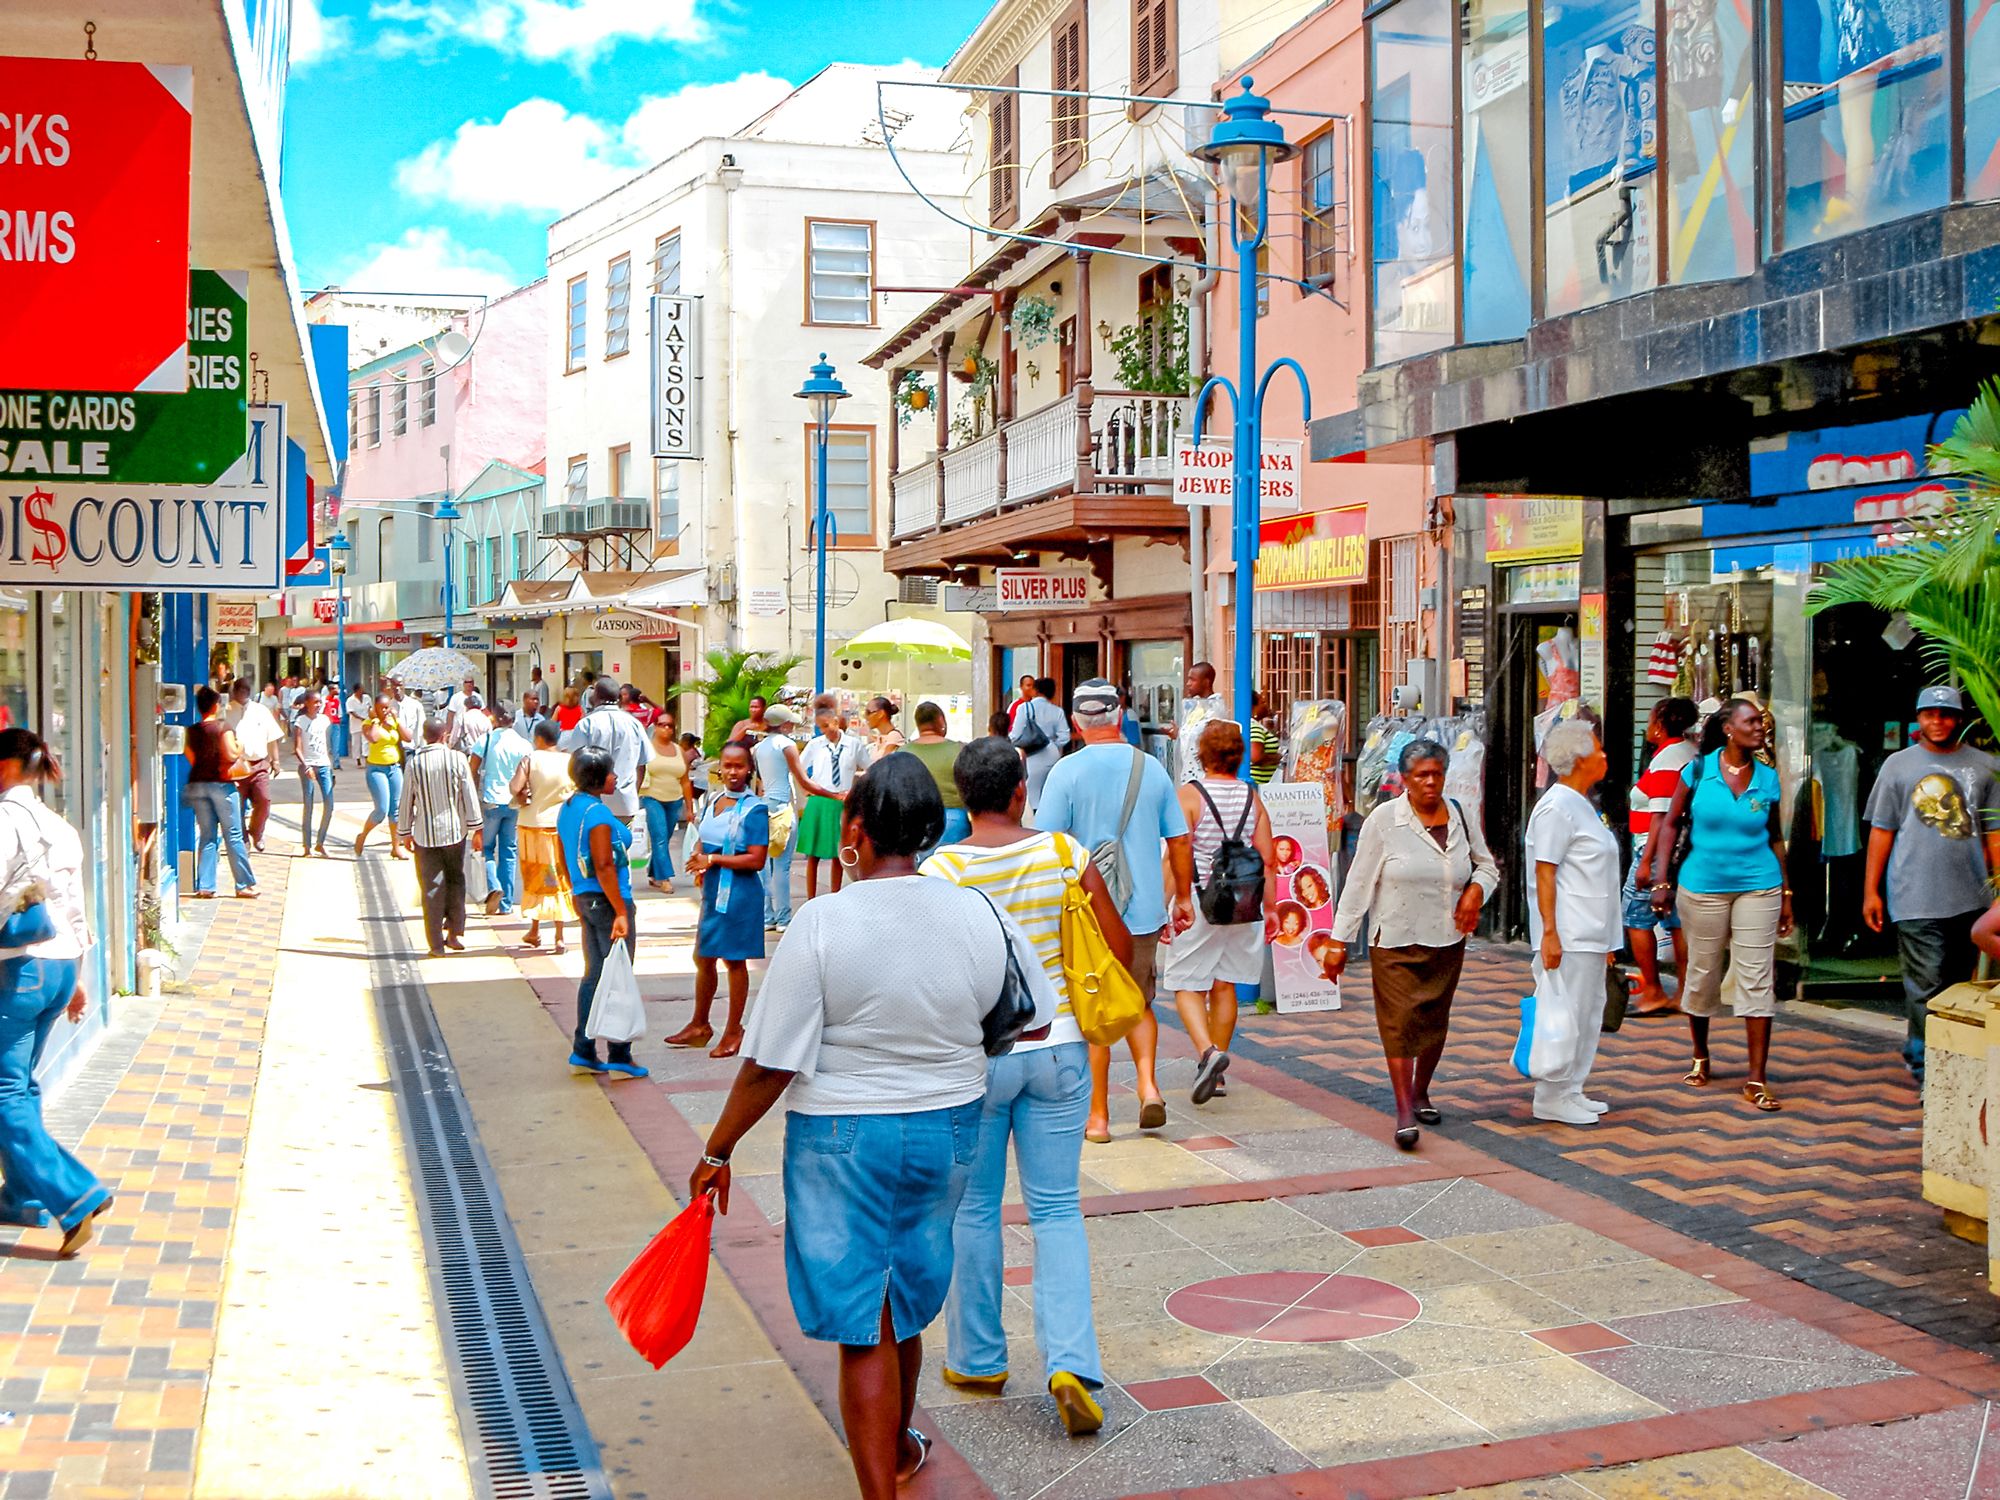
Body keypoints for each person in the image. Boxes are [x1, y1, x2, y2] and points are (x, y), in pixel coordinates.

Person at [688, 755, 1051, 1500]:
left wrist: (717, 1147)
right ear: (928, 828)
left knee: (865, 1320)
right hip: (948, 1129)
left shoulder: (823, 922)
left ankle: (878, 1486)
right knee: (907, 1300)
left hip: (843, 1139)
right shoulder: (977, 909)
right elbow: (1034, 1017)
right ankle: (899, 1446)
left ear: (853, 829)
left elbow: (769, 1064)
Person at [922, 736, 1127, 1435]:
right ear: (1019, 791)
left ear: (964, 797)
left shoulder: (941, 871)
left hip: (978, 1061)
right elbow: (1117, 945)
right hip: (1061, 1053)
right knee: (1057, 1211)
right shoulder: (1065, 855)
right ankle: (1070, 1363)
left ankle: (978, 1358)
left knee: (974, 1212)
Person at [1034, 678, 1193, 1142]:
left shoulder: (1066, 772)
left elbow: (1050, 844)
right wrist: (1182, 897)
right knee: (1140, 1001)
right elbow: (1179, 839)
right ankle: (1148, 1085)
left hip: (1086, 914)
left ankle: (1099, 1117)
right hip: (1143, 910)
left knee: (1094, 1008)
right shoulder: (1152, 770)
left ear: (1075, 723)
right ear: (1120, 714)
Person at [1325, 739, 1499, 1149]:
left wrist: (1475, 892)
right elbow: (1358, 884)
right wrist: (1338, 940)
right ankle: (1404, 1109)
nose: (1431, 782)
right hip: (1396, 939)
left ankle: (1422, 1091)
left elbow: (1486, 865)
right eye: (1421, 775)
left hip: (1447, 937)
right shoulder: (1385, 821)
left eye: (1437, 773)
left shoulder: (1459, 814)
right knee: (1399, 1024)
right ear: (1404, 780)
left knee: (1434, 1022)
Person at [1644, 697, 1793, 1112]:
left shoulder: (1767, 778)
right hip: (1702, 885)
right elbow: (1671, 823)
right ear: (1728, 728)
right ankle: (1700, 1055)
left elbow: (1776, 839)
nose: (1759, 726)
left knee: (1757, 976)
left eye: (1761, 721)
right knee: (1703, 971)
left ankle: (1757, 1077)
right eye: (1750, 721)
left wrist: (1786, 894)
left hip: (1758, 885)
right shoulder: (1697, 770)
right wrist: (1660, 879)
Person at [0, 729, 113, 1255]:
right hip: (61, 965)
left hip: (18, 971)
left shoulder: (5, 821)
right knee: (20, 1085)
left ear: (5, 768)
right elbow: (74, 907)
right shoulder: (58, 825)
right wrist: (81, 980)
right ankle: (22, 1196)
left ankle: (74, 1195)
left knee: (3, 1093)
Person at [1861, 686, 2000, 1084]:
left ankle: (1942, 1053)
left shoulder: (1985, 766)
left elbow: (1994, 833)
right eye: (1929, 714)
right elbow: (1882, 831)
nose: (1937, 721)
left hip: (1972, 894)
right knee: (1926, 984)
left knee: (1958, 983)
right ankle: (1928, 1070)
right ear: (1918, 719)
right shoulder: (1897, 766)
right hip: (1914, 894)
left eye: (1945, 714)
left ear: (1959, 719)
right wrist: (1872, 890)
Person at [1166, 720, 1279, 1105]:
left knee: (1185, 983)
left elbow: (1177, 853)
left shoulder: (1190, 796)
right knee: (1225, 984)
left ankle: (1208, 1053)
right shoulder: (1253, 796)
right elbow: (1267, 859)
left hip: (1200, 898)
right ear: (1239, 755)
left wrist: (1173, 902)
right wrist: (1272, 907)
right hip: (1244, 903)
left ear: (1202, 754)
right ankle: (1216, 1071)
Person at [1525, 722, 1623, 1126]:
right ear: (1581, 759)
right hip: (1571, 931)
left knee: (1587, 1011)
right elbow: (1544, 872)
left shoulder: (1582, 803)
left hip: (1592, 930)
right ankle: (1551, 1092)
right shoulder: (1556, 807)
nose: (1604, 756)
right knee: (1566, 1012)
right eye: (1598, 750)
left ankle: (1572, 1088)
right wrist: (1549, 932)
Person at [669, 741, 770, 1059]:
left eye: (739, 766)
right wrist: (698, 855)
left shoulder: (755, 809)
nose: (732, 772)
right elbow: (703, 837)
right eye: (727, 765)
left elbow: (756, 859)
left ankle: (733, 1030)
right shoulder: (714, 799)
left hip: (740, 895)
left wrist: (711, 860)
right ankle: (700, 1024)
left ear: (749, 769)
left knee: (734, 961)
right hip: (713, 891)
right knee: (704, 956)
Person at [556, 746, 649, 1079]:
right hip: (609, 900)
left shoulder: (569, 808)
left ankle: (583, 1049)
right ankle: (619, 1053)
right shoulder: (596, 815)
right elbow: (604, 864)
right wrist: (621, 912)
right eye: (610, 772)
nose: (616, 777)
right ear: (597, 778)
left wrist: (573, 890)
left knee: (594, 973)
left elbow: (562, 854)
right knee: (618, 976)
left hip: (586, 898)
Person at [1624, 696, 1699, 1015]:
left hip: (1654, 849)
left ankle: (1654, 988)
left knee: (1635, 913)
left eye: (1652, 718)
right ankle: (1685, 990)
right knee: (1677, 918)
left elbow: (1661, 815)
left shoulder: (1668, 758)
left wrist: (1647, 863)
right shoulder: (1690, 752)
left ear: (1660, 723)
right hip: (1680, 847)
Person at [401, 716, 484, 957]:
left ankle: (435, 944)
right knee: (456, 881)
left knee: (431, 887)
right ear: (444, 735)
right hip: (454, 833)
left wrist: (404, 832)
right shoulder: (457, 759)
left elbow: (407, 800)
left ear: (425, 736)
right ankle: (455, 934)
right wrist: (476, 827)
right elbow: (469, 793)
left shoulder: (414, 764)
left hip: (424, 836)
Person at [752, 705, 833, 932]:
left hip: (764, 807)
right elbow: (804, 781)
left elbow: (760, 782)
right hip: (783, 809)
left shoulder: (759, 748)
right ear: (784, 724)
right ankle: (784, 918)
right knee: (782, 866)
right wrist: (833, 795)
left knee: (764, 866)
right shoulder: (787, 745)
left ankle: (767, 916)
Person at [182, 686, 258, 899]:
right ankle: (244, 884)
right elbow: (232, 753)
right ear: (216, 705)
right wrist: (240, 745)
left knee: (207, 835)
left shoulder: (191, 731)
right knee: (233, 834)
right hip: (222, 785)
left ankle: (206, 886)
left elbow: (191, 757)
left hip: (198, 785)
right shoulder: (223, 728)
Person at [512, 721, 575, 953]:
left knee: (535, 877)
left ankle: (535, 928)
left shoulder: (531, 759)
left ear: (538, 738)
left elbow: (515, 787)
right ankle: (559, 936)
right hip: (560, 826)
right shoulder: (569, 762)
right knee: (558, 877)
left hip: (532, 826)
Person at [798, 693, 862, 903]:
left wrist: (854, 791)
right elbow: (798, 767)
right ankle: (811, 898)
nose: (825, 731)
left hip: (842, 801)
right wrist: (806, 787)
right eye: (821, 727)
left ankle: (834, 894)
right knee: (813, 854)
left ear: (836, 720)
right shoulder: (816, 745)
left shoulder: (853, 744)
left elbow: (869, 768)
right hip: (819, 801)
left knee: (837, 852)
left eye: (827, 725)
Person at [469, 704, 531, 917]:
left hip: (490, 802)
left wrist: (473, 799)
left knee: (486, 848)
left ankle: (494, 885)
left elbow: (472, 769)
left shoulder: (485, 740)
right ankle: (506, 904)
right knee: (509, 851)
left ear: (494, 717)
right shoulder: (524, 744)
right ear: (514, 719)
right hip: (513, 803)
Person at [560, 680, 651, 823]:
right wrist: (633, 792)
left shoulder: (586, 724)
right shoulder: (634, 724)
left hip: (592, 804)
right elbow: (642, 765)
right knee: (620, 844)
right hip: (625, 804)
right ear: (619, 698)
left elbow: (576, 763)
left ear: (595, 696)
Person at [225, 679, 284, 853]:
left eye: (246, 689)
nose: (243, 692)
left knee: (264, 800)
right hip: (236, 766)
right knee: (238, 806)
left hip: (259, 764)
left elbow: (271, 737)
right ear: (234, 691)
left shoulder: (261, 711)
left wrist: (276, 760)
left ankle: (257, 832)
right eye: (239, 689)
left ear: (250, 691)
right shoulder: (226, 711)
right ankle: (243, 839)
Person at [906, 702, 968, 859]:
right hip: (955, 822)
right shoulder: (960, 750)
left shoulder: (902, 753)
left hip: (914, 823)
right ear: (941, 720)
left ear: (918, 724)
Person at [637, 718, 690, 893]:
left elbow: (685, 780)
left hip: (674, 799)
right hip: (652, 797)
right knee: (659, 837)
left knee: (664, 839)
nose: (666, 728)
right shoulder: (647, 748)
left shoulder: (678, 750)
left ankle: (653, 872)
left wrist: (689, 808)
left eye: (670, 725)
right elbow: (638, 771)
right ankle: (665, 878)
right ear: (655, 727)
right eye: (662, 725)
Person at [354, 694, 409, 860]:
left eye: (387, 707)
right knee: (381, 810)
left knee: (396, 809)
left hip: (394, 768)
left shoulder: (392, 721)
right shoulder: (368, 724)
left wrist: (397, 721)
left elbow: (408, 737)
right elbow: (374, 738)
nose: (385, 711)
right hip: (376, 769)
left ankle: (395, 847)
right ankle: (363, 835)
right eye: (381, 708)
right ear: (375, 709)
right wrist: (376, 721)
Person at [1009, 677, 1071, 816]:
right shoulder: (1057, 711)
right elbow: (1065, 736)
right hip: (1052, 755)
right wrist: (1052, 745)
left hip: (1030, 754)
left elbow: (1015, 735)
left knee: (1030, 795)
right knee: (1049, 793)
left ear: (1035, 690)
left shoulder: (1024, 708)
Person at [292, 689, 336, 857]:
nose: (318, 705)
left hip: (324, 765)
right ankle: (307, 846)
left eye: (320, 702)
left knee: (329, 804)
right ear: (307, 703)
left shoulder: (325, 720)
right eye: (315, 702)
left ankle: (320, 842)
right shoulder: (300, 721)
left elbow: (328, 743)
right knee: (308, 805)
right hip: (308, 766)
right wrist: (306, 766)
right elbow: (296, 748)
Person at [1249, 690, 1281, 786]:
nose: (1266, 705)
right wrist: (1279, 758)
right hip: (1259, 783)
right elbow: (1256, 757)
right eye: (1262, 702)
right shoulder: (1254, 727)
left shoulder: (1252, 725)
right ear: (1253, 708)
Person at [862, 697, 905, 764]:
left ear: (881, 714)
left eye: (868, 712)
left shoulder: (894, 737)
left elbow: (883, 765)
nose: (865, 716)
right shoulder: (880, 738)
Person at [344, 682, 372, 769]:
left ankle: (367, 759)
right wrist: (361, 718)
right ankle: (358, 760)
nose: (362, 691)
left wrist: (369, 717)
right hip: (356, 724)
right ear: (356, 691)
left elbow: (370, 708)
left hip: (366, 723)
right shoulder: (350, 700)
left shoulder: (367, 698)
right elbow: (351, 712)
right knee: (356, 743)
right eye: (361, 689)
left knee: (366, 741)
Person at [443, 676, 478, 745]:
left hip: (474, 730)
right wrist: (448, 732)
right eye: (466, 682)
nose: (469, 684)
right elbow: (450, 715)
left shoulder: (477, 697)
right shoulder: (456, 697)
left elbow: (484, 711)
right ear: (463, 684)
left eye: (471, 682)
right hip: (459, 730)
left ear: (473, 684)